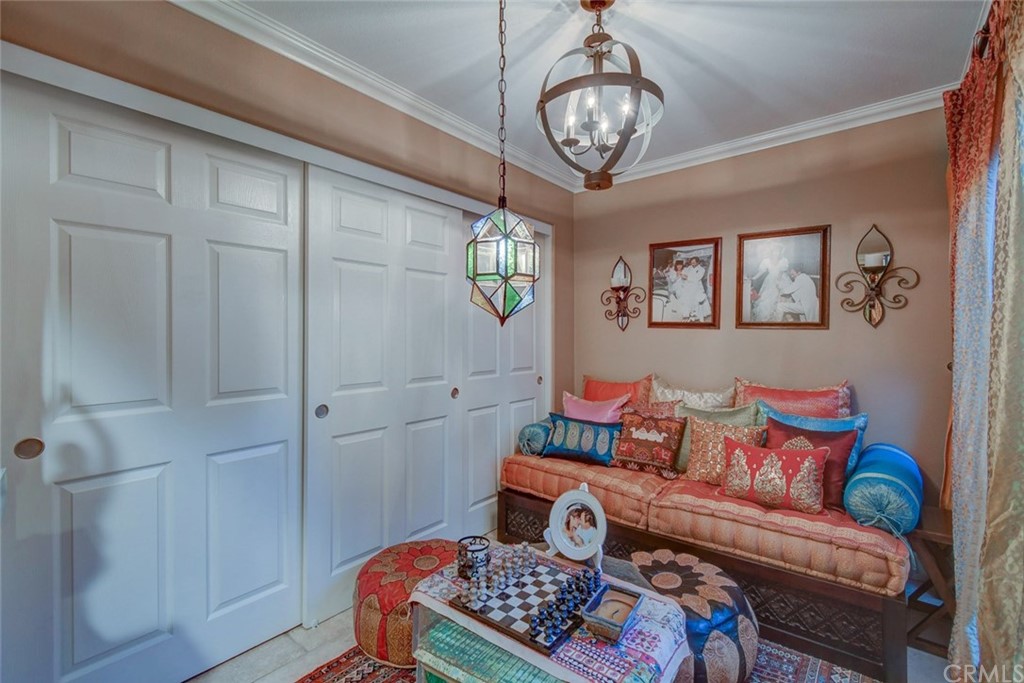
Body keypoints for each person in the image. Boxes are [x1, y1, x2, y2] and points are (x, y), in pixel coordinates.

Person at [750, 241, 789, 322]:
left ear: (780, 252)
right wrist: (754, 278)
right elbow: (761, 272)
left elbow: (781, 273)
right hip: (770, 281)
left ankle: (777, 318)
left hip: (781, 280)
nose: (776, 253)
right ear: (772, 252)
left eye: (778, 251)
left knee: (779, 299)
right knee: (765, 301)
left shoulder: (783, 260)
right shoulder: (766, 261)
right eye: (774, 251)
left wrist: (778, 283)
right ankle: (766, 319)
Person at [677, 257, 711, 321]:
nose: (692, 264)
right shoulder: (688, 268)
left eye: (694, 262)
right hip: (688, 287)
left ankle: (698, 315)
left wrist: (687, 277)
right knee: (687, 301)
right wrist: (682, 275)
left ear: (698, 262)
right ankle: (688, 314)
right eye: (691, 262)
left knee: (697, 301)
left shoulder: (701, 269)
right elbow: (684, 273)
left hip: (697, 287)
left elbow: (697, 278)